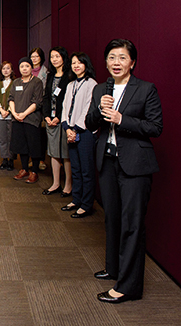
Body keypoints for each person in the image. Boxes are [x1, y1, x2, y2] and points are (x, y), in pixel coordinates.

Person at [85, 39, 163, 303]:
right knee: (112, 218)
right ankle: (114, 268)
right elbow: (89, 123)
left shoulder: (145, 89)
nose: (115, 63)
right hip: (107, 161)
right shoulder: (99, 89)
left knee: (132, 224)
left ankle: (128, 286)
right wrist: (100, 110)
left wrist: (122, 120)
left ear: (132, 62)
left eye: (121, 58)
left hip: (135, 165)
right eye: (111, 58)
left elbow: (155, 127)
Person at [60, 52, 97, 218]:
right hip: (70, 132)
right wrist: (67, 128)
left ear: (86, 65)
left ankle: (87, 205)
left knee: (86, 170)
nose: (76, 66)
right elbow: (65, 106)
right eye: (74, 63)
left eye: (79, 63)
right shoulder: (71, 84)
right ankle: (76, 199)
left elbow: (88, 109)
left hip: (85, 133)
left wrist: (75, 129)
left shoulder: (92, 84)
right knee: (75, 168)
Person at [42, 47, 72, 197]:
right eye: (52, 56)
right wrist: (46, 116)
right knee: (53, 152)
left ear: (63, 58)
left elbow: (68, 100)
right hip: (50, 118)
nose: (54, 59)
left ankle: (68, 185)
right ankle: (55, 183)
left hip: (63, 119)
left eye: (57, 56)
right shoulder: (50, 75)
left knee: (65, 154)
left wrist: (59, 117)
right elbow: (46, 96)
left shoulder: (69, 75)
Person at [8, 57, 43, 183]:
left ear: (31, 67)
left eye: (27, 66)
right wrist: (14, 113)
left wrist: (24, 114)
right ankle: (24, 169)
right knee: (21, 145)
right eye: (22, 66)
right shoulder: (16, 82)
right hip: (17, 119)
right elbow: (11, 98)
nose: (24, 68)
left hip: (31, 119)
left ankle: (34, 171)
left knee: (33, 145)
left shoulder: (37, 82)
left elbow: (37, 102)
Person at [0, 61, 16, 171]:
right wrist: (1, 110)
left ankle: (11, 159)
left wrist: (8, 110)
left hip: (12, 115)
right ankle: (4, 159)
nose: (6, 70)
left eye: (8, 68)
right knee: (2, 139)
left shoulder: (16, 82)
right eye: (4, 68)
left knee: (11, 138)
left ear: (11, 70)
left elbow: (17, 99)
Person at [29, 47, 48, 171]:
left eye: (36, 56)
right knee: (31, 134)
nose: (34, 59)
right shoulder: (27, 70)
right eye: (32, 56)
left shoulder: (45, 72)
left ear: (41, 58)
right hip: (28, 107)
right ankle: (32, 159)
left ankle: (41, 159)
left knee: (41, 134)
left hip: (41, 107)